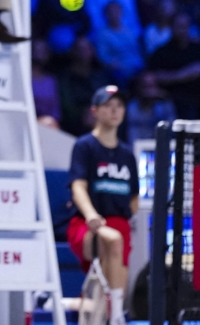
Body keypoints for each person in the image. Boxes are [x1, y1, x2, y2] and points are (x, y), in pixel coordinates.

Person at [67, 86, 138, 325]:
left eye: (119, 106)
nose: (115, 111)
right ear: (95, 111)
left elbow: (134, 198)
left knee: (118, 239)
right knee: (113, 239)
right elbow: (78, 187)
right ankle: (118, 317)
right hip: (86, 225)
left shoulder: (128, 154)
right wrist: (91, 216)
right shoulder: (84, 146)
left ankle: (58, 303)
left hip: (119, 223)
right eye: (109, 106)